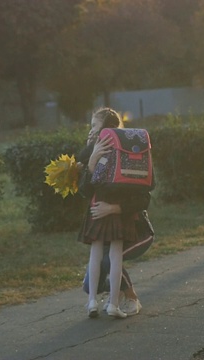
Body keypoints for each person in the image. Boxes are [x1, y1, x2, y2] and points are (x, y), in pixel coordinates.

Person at [76, 107, 152, 319]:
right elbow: (84, 189)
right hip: (110, 214)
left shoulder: (111, 148)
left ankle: (117, 299)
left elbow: (144, 198)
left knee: (103, 258)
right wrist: (90, 160)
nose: (91, 130)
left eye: (94, 126)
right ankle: (110, 304)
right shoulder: (109, 150)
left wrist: (113, 208)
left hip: (125, 221)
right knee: (110, 257)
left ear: (106, 127)